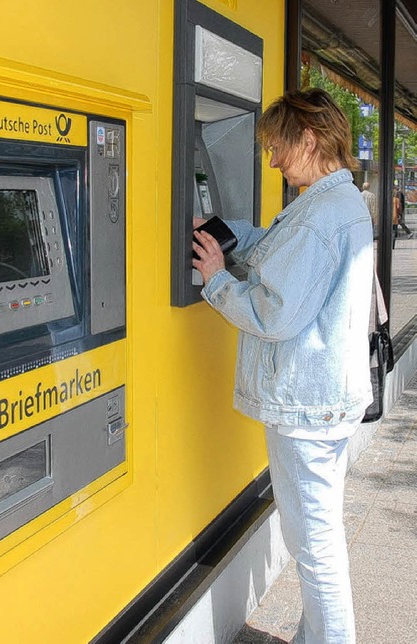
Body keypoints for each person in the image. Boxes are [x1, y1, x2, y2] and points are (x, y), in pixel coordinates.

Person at [193, 88, 373, 644]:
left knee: (315, 548)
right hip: (325, 400)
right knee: (319, 538)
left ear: (309, 138)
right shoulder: (332, 205)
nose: (271, 159)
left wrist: (217, 280)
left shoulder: (321, 215)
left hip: (307, 407)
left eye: (277, 146)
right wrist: (228, 235)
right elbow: (278, 249)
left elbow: (274, 313)